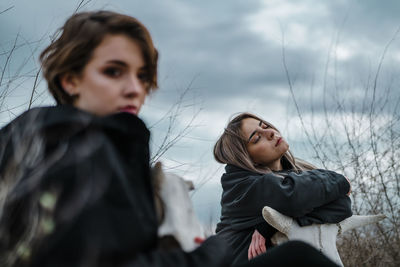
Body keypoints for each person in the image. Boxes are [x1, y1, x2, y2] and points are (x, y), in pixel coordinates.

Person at [0, 11, 230, 267]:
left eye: (142, 76)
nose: (135, 89)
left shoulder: (34, 141)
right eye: (113, 71)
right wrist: (212, 252)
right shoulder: (78, 148)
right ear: (70, 80)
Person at [214, 112, 352, 265]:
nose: (271, 133)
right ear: (245, 157)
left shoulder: (298, 174)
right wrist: (338, 182)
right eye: (257, 138)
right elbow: (292, 197)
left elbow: (342, 205)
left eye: (265, 126)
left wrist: (267, 225)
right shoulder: (242, 187)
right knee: (298, 251)